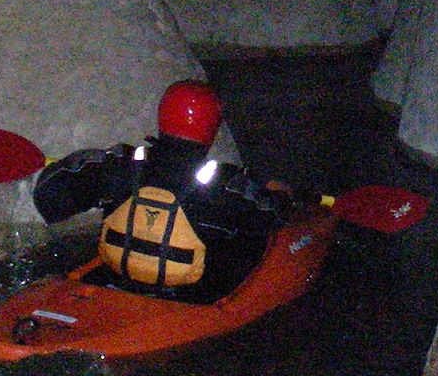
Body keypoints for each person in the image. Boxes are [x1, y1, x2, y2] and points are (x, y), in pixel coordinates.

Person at [31, 80, 287, 302]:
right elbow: (273, 217)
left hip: (116, 282)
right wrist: (279, 194)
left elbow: (47, 195)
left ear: (162, 117)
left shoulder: (119, 164)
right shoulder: (224, 184)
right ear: (212, 127)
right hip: (187, 298)